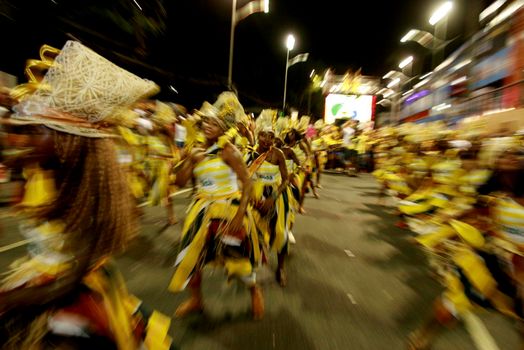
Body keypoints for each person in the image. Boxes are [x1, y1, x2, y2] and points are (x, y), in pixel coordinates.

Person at [0, 41, 173, 349]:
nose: (22, 136)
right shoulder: (49, 171)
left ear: (66, 140)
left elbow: (67, 284)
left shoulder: (85, 196)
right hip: (40, 280)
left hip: (70, 295)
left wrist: (9, 299)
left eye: (34, 130)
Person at [168, 97, 264, 320]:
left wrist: (240, 215)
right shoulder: (196, 150)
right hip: (201, 209)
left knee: (236, 256)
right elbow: (180, 183)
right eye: (205, 123)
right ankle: (196, 299)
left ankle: (254, 291)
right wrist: (191, 160)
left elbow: (248, 184)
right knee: (191, 257)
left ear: (224, 128)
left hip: (227, 209)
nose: (207, 126)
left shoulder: (229, 152)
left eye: (213, 123)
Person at [250, 111, 290, 286]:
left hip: (276, 194)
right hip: (256, 193)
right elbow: (245, 176)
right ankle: (253, 263)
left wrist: (272, 198)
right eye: (263, 135)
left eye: (271, 136)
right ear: (258, 135)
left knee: (280, 232)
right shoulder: (251, 154)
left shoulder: (278, 154)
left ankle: (280, 268)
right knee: (252, 228)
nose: (267, 139)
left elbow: (286, 179)